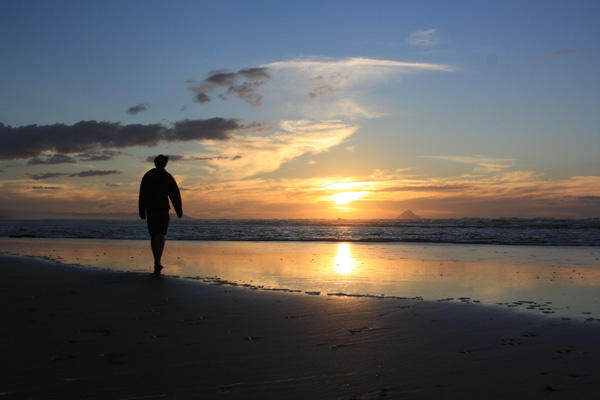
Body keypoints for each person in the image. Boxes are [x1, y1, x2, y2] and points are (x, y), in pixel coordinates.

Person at [139, 154, 182, 275]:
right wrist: (178, 210)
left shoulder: (148, 175)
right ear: (165, 164)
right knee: (161, 234)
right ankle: (158, 260)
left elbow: (142, 194)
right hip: (162, 209)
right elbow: (175, 194)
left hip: (151, 209)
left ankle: (156, 260)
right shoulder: (166, 176)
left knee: (154, 235)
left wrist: (142, 211)